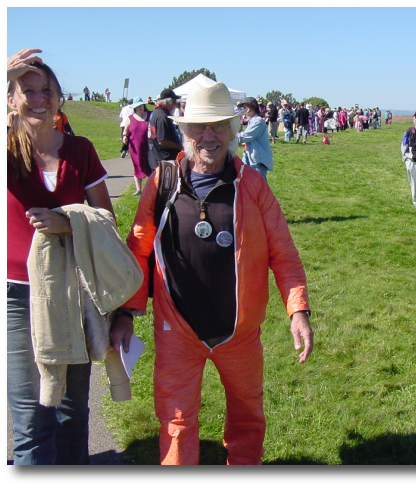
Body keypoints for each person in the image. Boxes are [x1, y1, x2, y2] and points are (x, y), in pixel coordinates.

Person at [115, 80, 313, 465]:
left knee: (248, 419)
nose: (209, 136)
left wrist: (298, 310)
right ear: (184, 131)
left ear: (232, 130)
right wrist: (125, 312)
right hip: (177, 332)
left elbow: (283, 253)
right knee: (176, 424)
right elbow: (138, 249)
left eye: (219, 125)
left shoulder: (252, 185)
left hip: (239, 333)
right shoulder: (163, 182)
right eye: (199, 127)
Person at [7, 48, 123, 465]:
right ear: (11, 98)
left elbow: (106, 218)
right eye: (27, 89)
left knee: (74, 413)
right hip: (18, 299)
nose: (38, 98)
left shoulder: (80, 149)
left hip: (76, 293)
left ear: (59, 97)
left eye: (46, 90)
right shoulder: (7, 149)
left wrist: (69, 221)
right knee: (33, 417)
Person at [237, 97, 273, 180]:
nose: (244, 111)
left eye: (246, 108)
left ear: (253, 107)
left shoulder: (258, 121)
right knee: (246, 182)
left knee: (259, 186)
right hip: (249, 154)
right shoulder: (252, 121)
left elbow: (245, 137)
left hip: (257, 159)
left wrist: (228, 137)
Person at [122, 97, 152, 195]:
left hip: (148, 146)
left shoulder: (149, 115)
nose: (141, 108)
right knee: (137, 165)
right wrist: (124, 137)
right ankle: (138, 189)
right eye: (138, 106)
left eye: (142, 106)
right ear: (134, 108)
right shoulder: (130, 118)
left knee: (149, 166)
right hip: (135, 146)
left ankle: (151, 188)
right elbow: (125, 131)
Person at [149, 88, 183, 171]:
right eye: (174, 101)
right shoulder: (162, 117)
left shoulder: (156, 113)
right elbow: (162, 140)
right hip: (164, 161)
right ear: (169, 102)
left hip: (157, 158)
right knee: (166, 184)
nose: (176, 104)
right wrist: (179, 146)